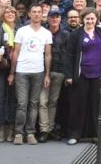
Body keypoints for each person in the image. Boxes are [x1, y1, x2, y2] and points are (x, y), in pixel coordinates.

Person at [65, 8, 101, 145]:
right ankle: (75, 135)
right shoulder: (76, 34)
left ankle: (98, 135)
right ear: (82, 19)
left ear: (96, 19)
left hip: (98, 75)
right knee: (80, 105)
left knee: (97, 106)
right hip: (81, 75)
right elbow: (69, 56)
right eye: (87, 18)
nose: (90, 21)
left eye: (92, 18)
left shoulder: (100, 31)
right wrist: (68, 75)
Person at [8, 4, 53, 145]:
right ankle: (18, 133)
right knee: (22, 103)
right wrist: (12, 72)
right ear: (29, 13)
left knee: (34, 104)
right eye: (34, 12)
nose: (37, 14)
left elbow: (48, 55)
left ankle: (30, 132)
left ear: (42, 14)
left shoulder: (46, 33)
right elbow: (15, 52)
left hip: (38, 72)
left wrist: (47, 74)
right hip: (22, 71)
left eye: (39, 12)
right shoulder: (22, 31)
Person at [38, 9, 69, 142]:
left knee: (53, 102)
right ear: (48, 19)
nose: (55, 19)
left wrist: (68, 74)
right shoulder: (42, 32)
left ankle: (50, 129)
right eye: (52, 17)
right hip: (43, 71)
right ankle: (44, 129)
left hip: (59, 71)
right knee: (42, 101)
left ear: (60, 19)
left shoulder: (66, 34)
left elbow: (69, 56)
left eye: (57, 17)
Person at [0, 6, 17, 143]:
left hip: (17, 67)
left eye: (13, 12)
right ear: (2, 15)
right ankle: (1, 128)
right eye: (7, 12)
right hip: (2, 67)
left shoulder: (20, 29)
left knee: (13, 98)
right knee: (0, 97)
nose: (10, 14)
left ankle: (11, 127)